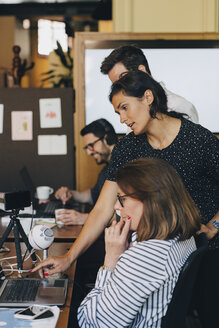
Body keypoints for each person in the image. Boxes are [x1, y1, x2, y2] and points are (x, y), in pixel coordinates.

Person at [32, 70, 219, 328]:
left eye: (124, 108)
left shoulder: (199, 140)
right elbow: (103, 208)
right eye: (117, 112)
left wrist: (215, 225)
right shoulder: (128, 147)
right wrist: (69, 257)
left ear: (148, 97)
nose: (121, 119)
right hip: (162, 249)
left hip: (194, 249)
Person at [77, 158, 201, 327]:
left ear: (152, 201)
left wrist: (111, 260)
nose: (116, 206)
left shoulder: (145, 256)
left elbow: (94, 324)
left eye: (122, 199)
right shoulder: (182, 235)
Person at [100, 44, 199, 124]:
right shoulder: (131, 110)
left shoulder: (179, 106)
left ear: (142, 71)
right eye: (115, 85)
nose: (119, 89)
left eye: (123, 78)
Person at [54, 118, 117, 225]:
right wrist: (71, 193)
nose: (88, 152)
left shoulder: (126, 168)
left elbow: (127, 214)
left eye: (91, 146)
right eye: (87, 148)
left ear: (106, 139)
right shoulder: (106, 170)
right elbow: (92, 196)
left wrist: (84, 218)